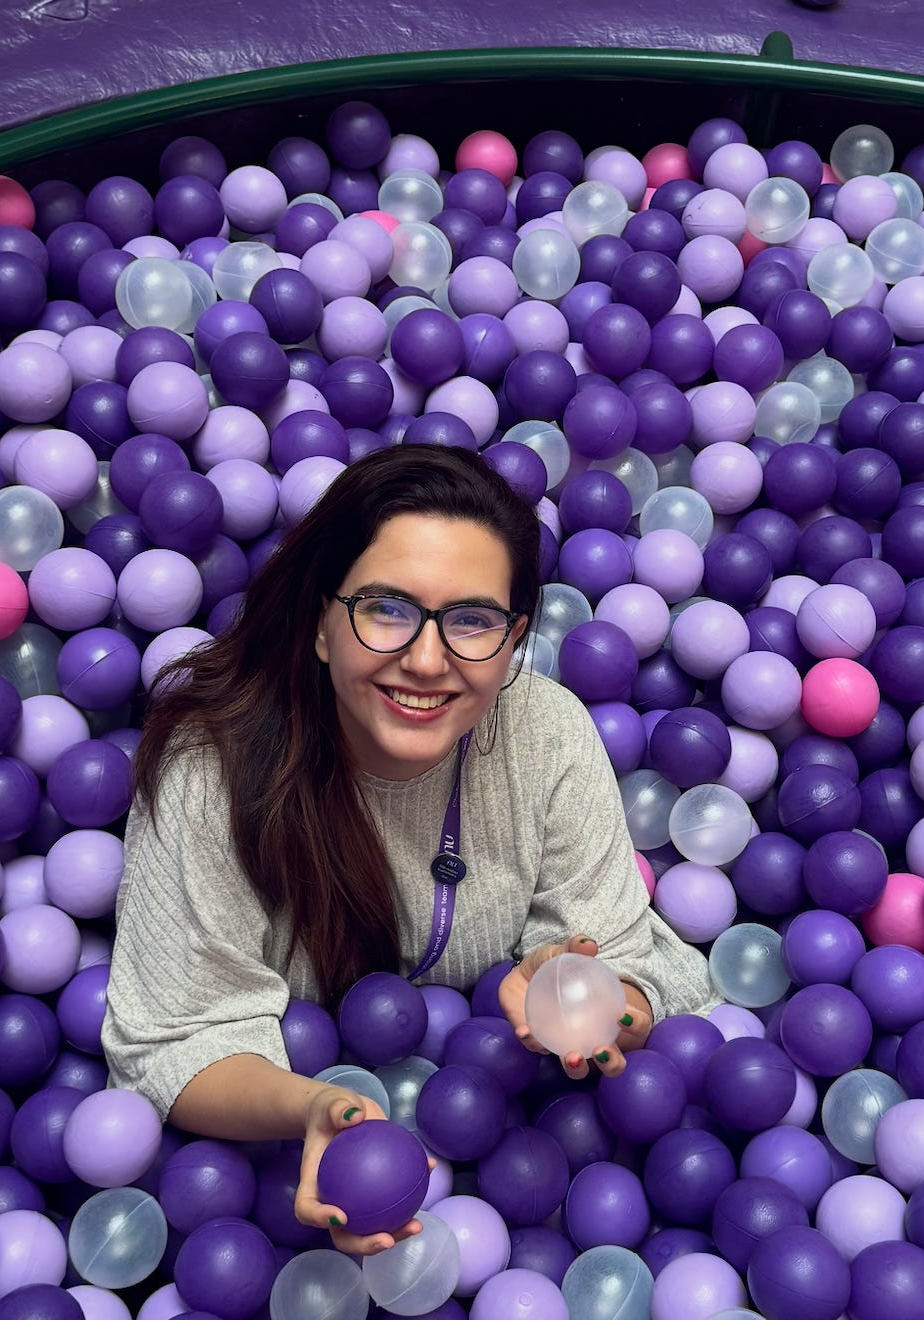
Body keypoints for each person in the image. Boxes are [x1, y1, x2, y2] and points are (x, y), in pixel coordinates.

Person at [103, 442, 715, 1255]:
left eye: (471, 622)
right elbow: (176, 1037)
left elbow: (627, 967)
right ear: (323, 622)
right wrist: (315, 1109)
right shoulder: (212, 772)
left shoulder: (547, 733)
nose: (427, 660)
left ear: (513, 640)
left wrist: (597, 1005)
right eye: (387, 608)